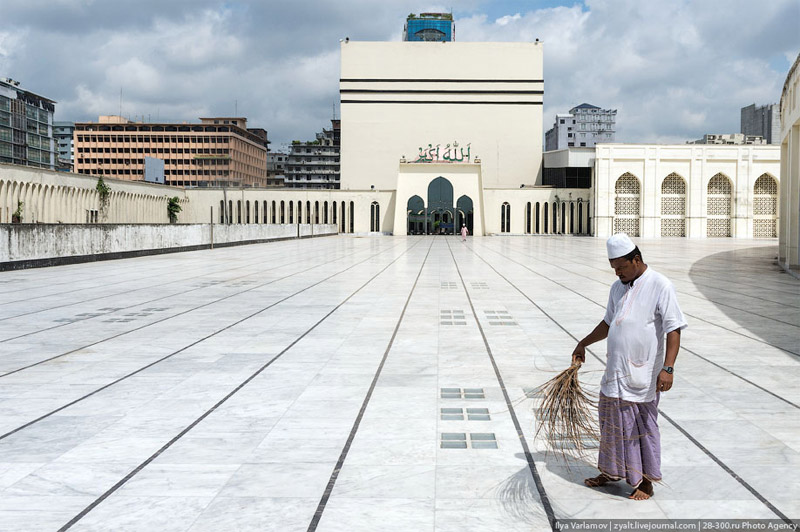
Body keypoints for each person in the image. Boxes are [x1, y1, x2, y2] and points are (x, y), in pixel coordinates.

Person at [571, 233, 687, 500]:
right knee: (611, 425)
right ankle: (611, 472)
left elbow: (674, 329)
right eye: (614, 268)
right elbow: (609, 322)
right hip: (615, 372)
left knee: (641, 428)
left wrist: (668, 368)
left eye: (621, 267)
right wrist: (583, 342)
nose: (618, 273)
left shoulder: (660, 285)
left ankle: (644, 481)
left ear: (636, 260)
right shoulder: (618, 287)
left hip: (643, 374)